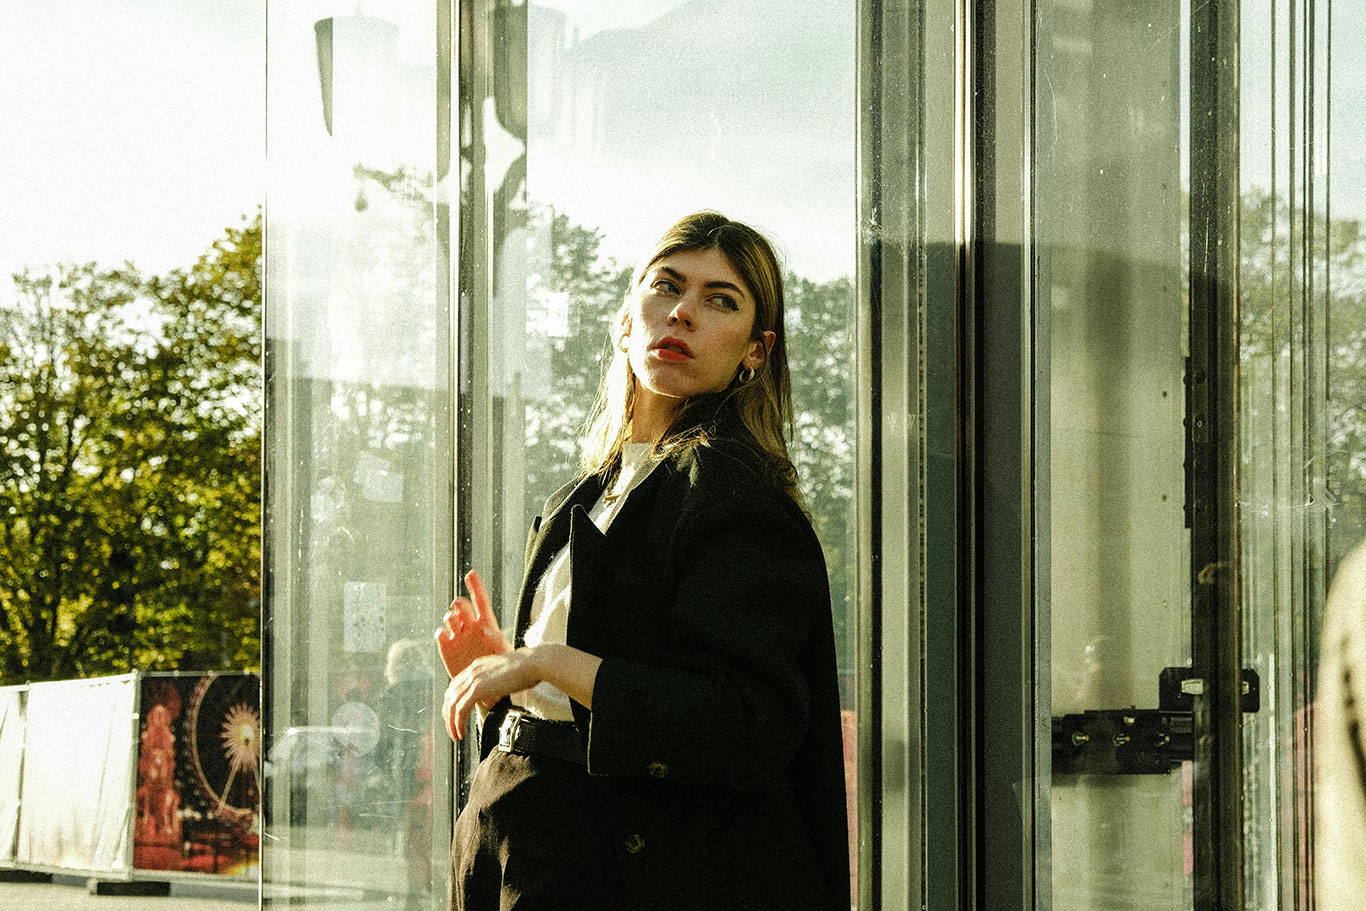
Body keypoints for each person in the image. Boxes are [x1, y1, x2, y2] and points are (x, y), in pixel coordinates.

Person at [436, 211, 850, 910]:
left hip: (617, 875)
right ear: (628, 321)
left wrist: (548, 663)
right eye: (667, 287)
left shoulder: (732, 491)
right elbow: (611, 688)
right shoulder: (590, 492)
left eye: (721, 300)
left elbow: (746, 720)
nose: (683, 312)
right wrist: (508, 682)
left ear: (756, 349)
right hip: (518, 849)